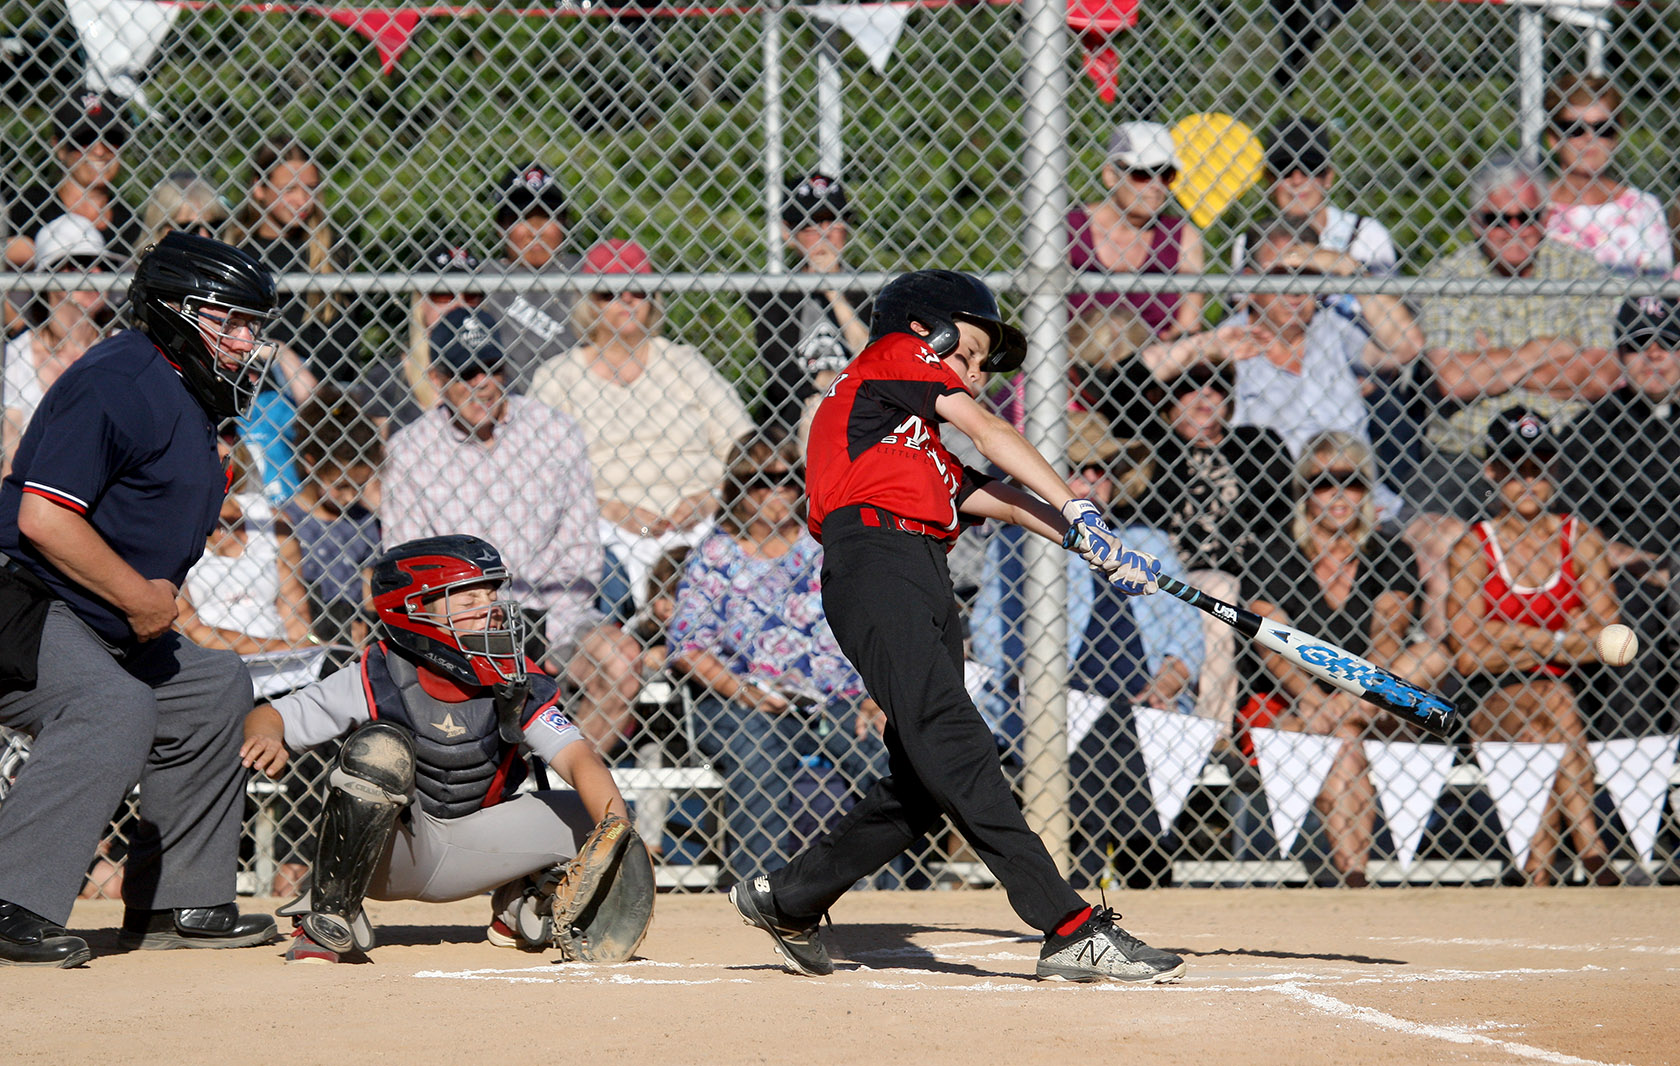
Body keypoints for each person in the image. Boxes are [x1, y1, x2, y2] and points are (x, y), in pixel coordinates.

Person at [728, 269, 1185, 984]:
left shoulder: (909, 437)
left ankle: (788, 897)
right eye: (966, 353)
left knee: (920, 787)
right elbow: (990, 429)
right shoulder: (888, 360)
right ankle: (1066, 926)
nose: (974, 373)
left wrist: (1096, 542)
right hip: (876, 560)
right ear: (926, 331)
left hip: (920, 571)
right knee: (957, 739)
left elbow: (996, 498)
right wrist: (1077, 507)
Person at [0, 232, 283, 967]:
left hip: (87, 616)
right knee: (112, 705)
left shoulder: (185, 393)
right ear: (172, 312)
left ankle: (174, 903)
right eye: (230, 320)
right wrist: (141, 599)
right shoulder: (121, 378)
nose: (247, 339)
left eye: (254, 323)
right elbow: (43, 517)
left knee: (212, 685)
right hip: (18, 597)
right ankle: (12, 902)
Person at [239, 535, 634, 963]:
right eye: (467, 603)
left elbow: (578, 758)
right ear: (411, 611)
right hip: (390, 859)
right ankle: (332, 915)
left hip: (480, 846)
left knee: (593, 811)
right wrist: (265, 734)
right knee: (380, 750)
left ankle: (524, 905)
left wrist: (616, 834)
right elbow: (274, 714)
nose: (489, 610)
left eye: (490, 596)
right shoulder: (376, 674)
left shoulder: (514, 676)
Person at [381, 307, 643, 755]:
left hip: (556, 616)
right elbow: (406, 560)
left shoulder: (555, 432)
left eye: (491, 367)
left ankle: (565, 792)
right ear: (439, 377)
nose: (480, 382)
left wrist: (519, 607)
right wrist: (485, 607)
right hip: (457, 626)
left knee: (622, 662)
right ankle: (502, 790)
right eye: (464, 372)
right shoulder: (410, 449)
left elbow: (581, 549)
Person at [970, 412, 1202, 888]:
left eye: (1102, 470)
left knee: (1124, 723)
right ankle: (1139, 867)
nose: (1093, 480)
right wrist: (1034, 685)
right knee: (1097, 725)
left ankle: (1097, 869)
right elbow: (992, 636)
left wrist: (1166, 683)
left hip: (1146, 701)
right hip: (1056, 701)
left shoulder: (1147, 542)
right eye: (1079, 470)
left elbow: (1186, 638)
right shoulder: (1021, 546)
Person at [666, 429, 888, 885]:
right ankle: (762, 893)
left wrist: (874, 696)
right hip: (740, 698)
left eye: (788, 479)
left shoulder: (826, 543)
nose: (776, 491)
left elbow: (874, 626)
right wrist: (741, 689)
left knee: (880, 756)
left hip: (835, 697)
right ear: (737, 489)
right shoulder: (717, 551)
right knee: (759, 755)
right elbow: (688, 646)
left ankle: (887, 890)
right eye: (760, 481)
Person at [1242, 432, 1446, 885]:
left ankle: (1351, 875)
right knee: (1347, 740)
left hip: (1366, 694)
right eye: (1324, 481)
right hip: (1291, 702)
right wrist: (1314, 699)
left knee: (1429, 655)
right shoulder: (1271, 551)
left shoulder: (1390, 549)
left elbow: (1388, 637)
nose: (1339, 494)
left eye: (1352, 481)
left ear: (1368, 490)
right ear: (1303, 491)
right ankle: (1355, 871)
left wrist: (1340, 703)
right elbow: (1270, 643)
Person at [1444, 406, 1620, 885]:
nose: (1528, 480)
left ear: (1555, 470)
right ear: (1491, 471)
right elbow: (1469, 656)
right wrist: (1565, 637)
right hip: (1490, 696)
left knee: (1547, 721)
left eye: (1539, 467)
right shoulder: (1472, 546)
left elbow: (1613, 642)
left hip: (1573, 698)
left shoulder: (1580, 538)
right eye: (1514, 468)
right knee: (1551, 701)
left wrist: (1504, 633)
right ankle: (1591, 849)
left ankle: (1537, 876)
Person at [530, 239, 752, 610]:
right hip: (605, 528)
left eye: (638, 289)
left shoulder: (683, 362)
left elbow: (743, 444)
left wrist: (711, 497)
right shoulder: (559, 377)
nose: (627, 299)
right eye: (610, 292)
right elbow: (540, 474)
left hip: (700, 521)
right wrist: (606, 508)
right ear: (589, 304)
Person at [1412, 154, 1617, 524]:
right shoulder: (1448, 276)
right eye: (1497, 219)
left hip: (1564, 455)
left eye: (1527, 217)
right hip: (1470, 459)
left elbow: (1601, 377)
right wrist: (1546, 350)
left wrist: (1490, 366)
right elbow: (1454, 380)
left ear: (1546, 219)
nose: (1514, 228)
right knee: (1429, 535)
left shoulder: (1580, 272)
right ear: (1476, 223)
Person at [1137, 361, 1296, 724]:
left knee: (1221, 589)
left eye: (1217, 387)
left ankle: (1212, 730)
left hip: (1246, 577)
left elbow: (1284, 519)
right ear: (1167, 402)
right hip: (1166, 575)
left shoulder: (1257, 445)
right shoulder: (1153, 447)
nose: (1206, 395)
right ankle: (1212, 730)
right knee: (1216, 591)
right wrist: (1194, 345)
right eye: (1189, 387)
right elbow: (1121, 383)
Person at [1230, 219, 1411, 516]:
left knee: (1441, 539)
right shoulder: (1225, 348)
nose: (1295, 290)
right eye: (1279, 275)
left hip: (1364, 507)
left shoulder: (1335, 328)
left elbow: (1405, 346)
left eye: (1306, 274)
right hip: (1274, 516)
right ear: (1249, 281)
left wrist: (1350, 269)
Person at [1558, 297, 1680, 738]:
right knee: (1630, 624)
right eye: (1639, 344)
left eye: (1669, 342)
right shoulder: (1590, 429)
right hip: (1621, 575)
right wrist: (1649, 566)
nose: (1654, 355)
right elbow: (1578, 534)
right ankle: (1632, 775)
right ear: (1620, 355)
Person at [748, 173, 871, 433]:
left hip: (866, 409)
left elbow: (876, 358)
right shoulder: (771, 295)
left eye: (833, 221)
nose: (825, 234)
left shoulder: (870, 289)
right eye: (811, 224)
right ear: (787, 232)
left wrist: (833, 293)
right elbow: (784, 375)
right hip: (801, 417)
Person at [1068, 120, 1205, 340]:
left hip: (1155, 366)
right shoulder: (1069, 229)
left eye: (1166, 174)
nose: (1156, 186)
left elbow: (1188, 329)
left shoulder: (1182, 235)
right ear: (1110, 176)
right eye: (1143, 174)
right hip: (1071, 363)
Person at [3, 215, 118, 475]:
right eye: (79, 264)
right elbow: (11, 455)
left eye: (102, 264)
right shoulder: (17, 354)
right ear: (48, 278)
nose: (95, 274)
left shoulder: (123, 345)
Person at [1543, 74, 1672, 277]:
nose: (1590, 138)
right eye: (1574, 129)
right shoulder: (1529, 212)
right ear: (1553, 138)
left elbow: (1657, 299)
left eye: (1603, 128)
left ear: (1616, 138)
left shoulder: (1643, 208)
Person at [7, 92, 141, 268]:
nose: (100, 151)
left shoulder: (129, 221)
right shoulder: (30, 207)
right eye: (85, 139)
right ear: (60, 147)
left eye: (111, 139)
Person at [480, 162, 581, 392]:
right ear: (501, 227)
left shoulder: (587, 273)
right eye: (522, 218)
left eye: (546, 218)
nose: (535, 231)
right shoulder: (482, 277)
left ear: (564, 223)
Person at [364, 240, 485, 429]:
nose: (458, 306)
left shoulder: (497, 379)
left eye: (471, 296)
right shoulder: (384, 381)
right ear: (421, 302)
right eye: (444, 295)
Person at [138, 170, 231, 248]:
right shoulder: (131, 269)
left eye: (215, 226)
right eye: (190, 229)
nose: (205, 236)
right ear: (159, 229)